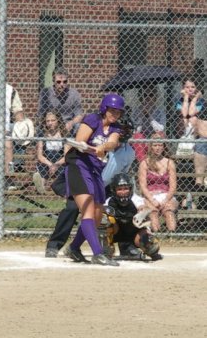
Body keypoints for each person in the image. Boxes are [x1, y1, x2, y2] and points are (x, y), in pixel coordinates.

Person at [45, 112, 137, 258]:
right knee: (72, 208)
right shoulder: (98, 137)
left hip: (104, 184)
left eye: (124, 130)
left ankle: (75, 248)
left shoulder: (129, 152)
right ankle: (54, 245)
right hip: (83, 176)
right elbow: (77, 151)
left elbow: (121, 176)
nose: (122, 132)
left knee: (99, 215)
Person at [63, 93, 125, 266]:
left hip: (95, 170)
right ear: (104, 109)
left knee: (97, 215)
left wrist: (103, 147)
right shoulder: (92, 119)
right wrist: (89, 148)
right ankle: (98, 253)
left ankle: (74, 248)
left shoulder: (115, 128)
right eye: (112, 110)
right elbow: (80, 141)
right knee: (88, 209)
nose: (115, 114)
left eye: (118, 112)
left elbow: (112, 142)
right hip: (78, 166)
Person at [99, 173, 162, 261]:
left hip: (133, 232)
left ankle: (129, 247)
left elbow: (142, 206)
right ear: (114, 190)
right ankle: (107, 248)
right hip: (116, 232)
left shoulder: (135, 199)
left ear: (130, 189)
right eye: (119, 189)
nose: (123, 192)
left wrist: (142, 211)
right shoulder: (109, 202)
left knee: (148, 242)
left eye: (126, 189)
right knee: (105, 220)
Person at [138, 133, 178, 232]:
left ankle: (172, 236)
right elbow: (143, 186)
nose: (157, 148)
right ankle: (156, 236)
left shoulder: (169, 162)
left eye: (160, 145)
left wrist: (166, 200)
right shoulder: (144, 163)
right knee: (153, 212)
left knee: (168, 212)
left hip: (166, 195)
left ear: (163, 147)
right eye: (155, 145)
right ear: (151, 147)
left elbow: (173, 187)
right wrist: (152, 200)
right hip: (150, 195)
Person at [176, 77, 207, 192]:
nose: (190, 89)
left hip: (197, 133)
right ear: (183, 89)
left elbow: (191, 113)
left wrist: (194, 100)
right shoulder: (180, 100)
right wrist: (185, 98)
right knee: (186, 119)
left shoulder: (202, 102)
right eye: (187, 87)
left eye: (193, 87)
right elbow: (184, 114)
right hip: (184, 131)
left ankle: (198, 184)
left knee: (193, 118)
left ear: (197, 89)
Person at [37, 67, 83, 134]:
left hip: (68, 125)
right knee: (39, 128)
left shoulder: (74, 94)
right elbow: (41, 115)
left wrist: (71, 123)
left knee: (78, 126)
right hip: (51, 123)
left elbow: (79, 116)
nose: (62, 84)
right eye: (58, 82)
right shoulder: (46, 93)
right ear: (53, 81)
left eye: (65, 82)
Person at [33, 110, 68, 195]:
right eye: (48, 121)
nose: (50, 123)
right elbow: (40, 155)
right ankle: (41, 185)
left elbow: (67, 155)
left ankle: (64, 190)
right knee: (42, 165)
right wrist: (50, 164)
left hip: (60, 159)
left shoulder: (64, 134)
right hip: (47, 159)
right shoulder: (42, 134)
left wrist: (56, 164)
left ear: (58, 121)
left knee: (66, 168)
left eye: (53, 120)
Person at [131, 85, 166, 162]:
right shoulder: (136, 111)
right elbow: (135, 131)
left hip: (154, 137)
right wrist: (141, 117)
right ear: (141, 97)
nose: (147, 97)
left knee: (160, 134)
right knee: (137, 136)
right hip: (142, 139)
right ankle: (143, 163)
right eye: (145, 95)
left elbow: (160, 129)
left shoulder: (159, 111)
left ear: (155, 97)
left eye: (151, 95)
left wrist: (149, 116)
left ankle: (157, 162)